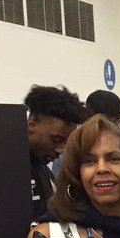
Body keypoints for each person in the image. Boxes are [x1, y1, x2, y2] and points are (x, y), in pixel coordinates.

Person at [25, 85, 87, 218]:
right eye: (56, 139)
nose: (61, 150)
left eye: (65, 143)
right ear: (32, 124)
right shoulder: (5, 166)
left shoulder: (43, 170)